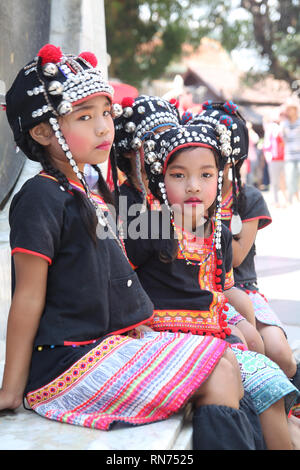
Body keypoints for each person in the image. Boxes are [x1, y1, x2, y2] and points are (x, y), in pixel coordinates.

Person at [0, 44, 258, 451]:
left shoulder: (89, 193)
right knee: (218, 371)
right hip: (68, 363)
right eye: (85, 117)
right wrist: (11, 390)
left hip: (105, 345)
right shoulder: (39, 198)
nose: (105, 128)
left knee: (226, 358)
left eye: (106, 113)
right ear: (42, 131)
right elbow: (28, 296)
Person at [123, 106, 300, 449]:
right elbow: (122, 283)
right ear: (160, 178)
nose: (193, 186)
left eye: (206, 175)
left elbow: (221, 292)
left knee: (270, 385)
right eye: (178, 176)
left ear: (219, 178)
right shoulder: (147, 226)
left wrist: (238, 328)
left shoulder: (218, 232)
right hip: (168, 336)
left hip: (216, 335)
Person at [263, 112, 287, 207]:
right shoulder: (272, 129)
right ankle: (276, 200)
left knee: (282, 180)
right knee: (275, 181)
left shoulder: (281, 127)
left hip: (282, 157)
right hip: (274, 158)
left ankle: (284, 200)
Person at [281, 99, 300, 204]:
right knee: (289, 177)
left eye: (290, 109)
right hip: (289, 155)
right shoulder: (284, 124)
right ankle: (291, 199)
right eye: (287, 109)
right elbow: (284, 140)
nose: (288, 111)